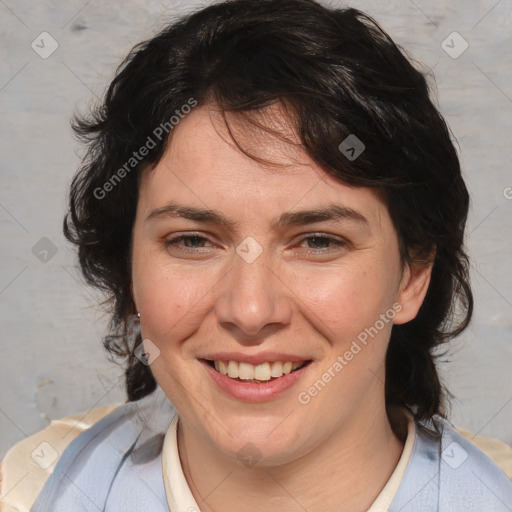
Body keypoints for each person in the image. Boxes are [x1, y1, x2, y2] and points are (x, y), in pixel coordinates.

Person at [1, 0, 511, 510]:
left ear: (411, 276)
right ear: (128, 269)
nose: (249, 311)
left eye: (318, 242)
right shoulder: (27, 491)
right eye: (193, 241)